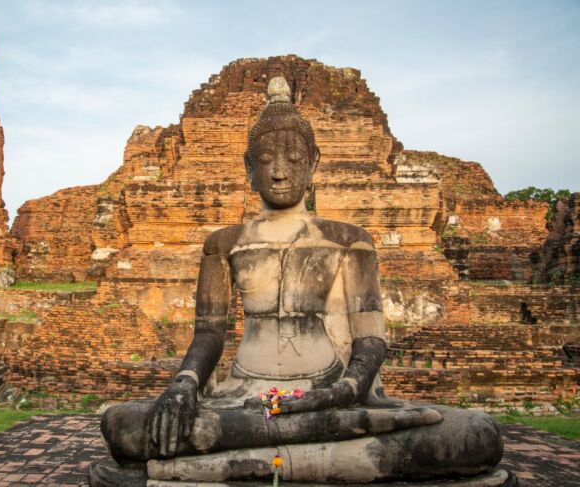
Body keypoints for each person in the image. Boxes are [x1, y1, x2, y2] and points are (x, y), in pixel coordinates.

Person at [90, 77, 509, 486]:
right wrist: (183, 387)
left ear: (314, 162)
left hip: (331, 394)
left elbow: (371, 339)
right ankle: (320, 460)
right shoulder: (224, 244)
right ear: (249, 167)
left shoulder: (349, 241)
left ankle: (215, 466)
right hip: (242, 397)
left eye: (292, 158)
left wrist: (347, 387)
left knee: (475, 435)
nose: (278, 172)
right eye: (267, 158)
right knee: (120, 424)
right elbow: (208, 333)